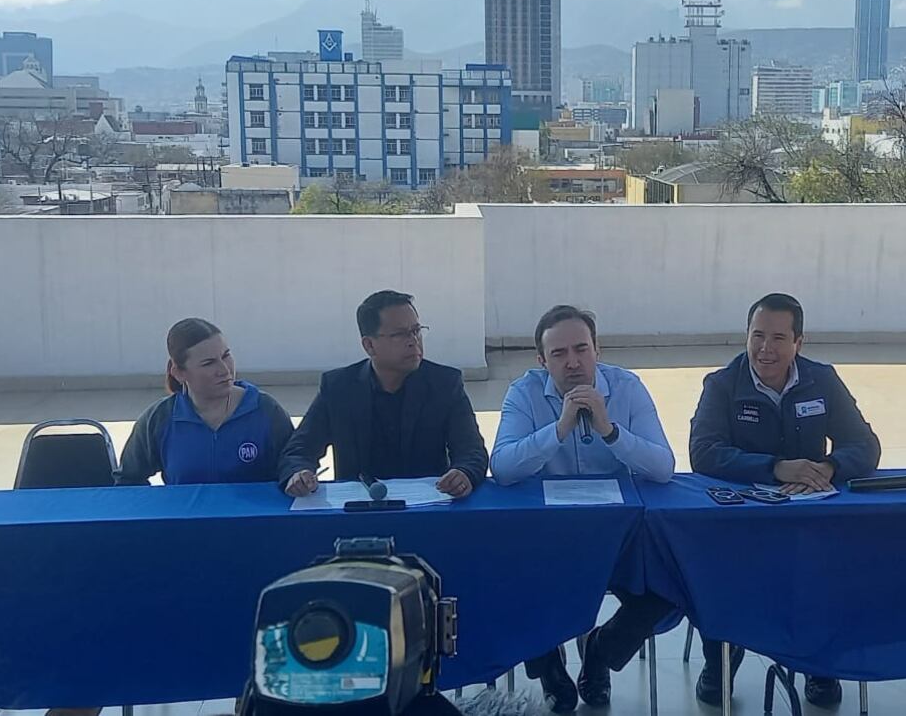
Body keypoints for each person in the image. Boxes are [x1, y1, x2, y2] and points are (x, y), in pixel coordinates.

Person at [689, 292, 881, 709]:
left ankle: (819, 662)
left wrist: (828, 468)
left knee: (833, 567)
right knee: (713, 568)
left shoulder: (822, 380)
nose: (765, 348)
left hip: (807, 515)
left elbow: (865, 445)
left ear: (799, 342)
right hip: (741, 519)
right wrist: (775, 467)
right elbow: (703, 452)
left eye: (778, 338)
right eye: (757, 336)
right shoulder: (722, 384)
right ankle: (721, 657)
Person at [492, 305, 676, 712]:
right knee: (508, 578)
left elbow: (663, 467)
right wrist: (558, 428)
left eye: (582, 349)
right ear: (542, 361)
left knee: (671, 579)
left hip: (619, 531)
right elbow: (502, 469)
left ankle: (601, 651)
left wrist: (610, 430)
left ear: (598, 350)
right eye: (558, 354)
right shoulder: (523, 392)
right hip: (547, 531)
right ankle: (549, 665)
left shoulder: (627, 388)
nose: (573, 362)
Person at [279, 290, 487, 498]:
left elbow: (472, 451)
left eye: (416, 331)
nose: (413, 341)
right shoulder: (338, 388)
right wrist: (299, 474)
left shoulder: (445, 384)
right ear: (369, 345)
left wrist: (464, 473)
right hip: (360, 511)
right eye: (400, 334)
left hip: (429, 508)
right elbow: (298, 451)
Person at [116, 317, 295, 486]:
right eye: (209, 363)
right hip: (186, 518)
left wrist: (298, 476)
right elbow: (128, 481)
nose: (224, 370)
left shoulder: (266, 410)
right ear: (179, 373)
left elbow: (294, 464)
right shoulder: (159, 419)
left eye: (226, 356)